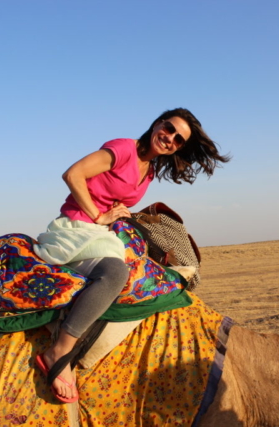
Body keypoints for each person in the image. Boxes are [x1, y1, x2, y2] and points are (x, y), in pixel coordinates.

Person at [33, 108, 230, 402]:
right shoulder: (123, 148)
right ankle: (59, 350)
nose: (170, 138)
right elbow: (73, 174)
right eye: (169, 128)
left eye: (178, 139)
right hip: (76, 227)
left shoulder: (149, 170)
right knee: (115, 275)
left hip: (100, 232)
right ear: (157, 124)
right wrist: (99, 216)